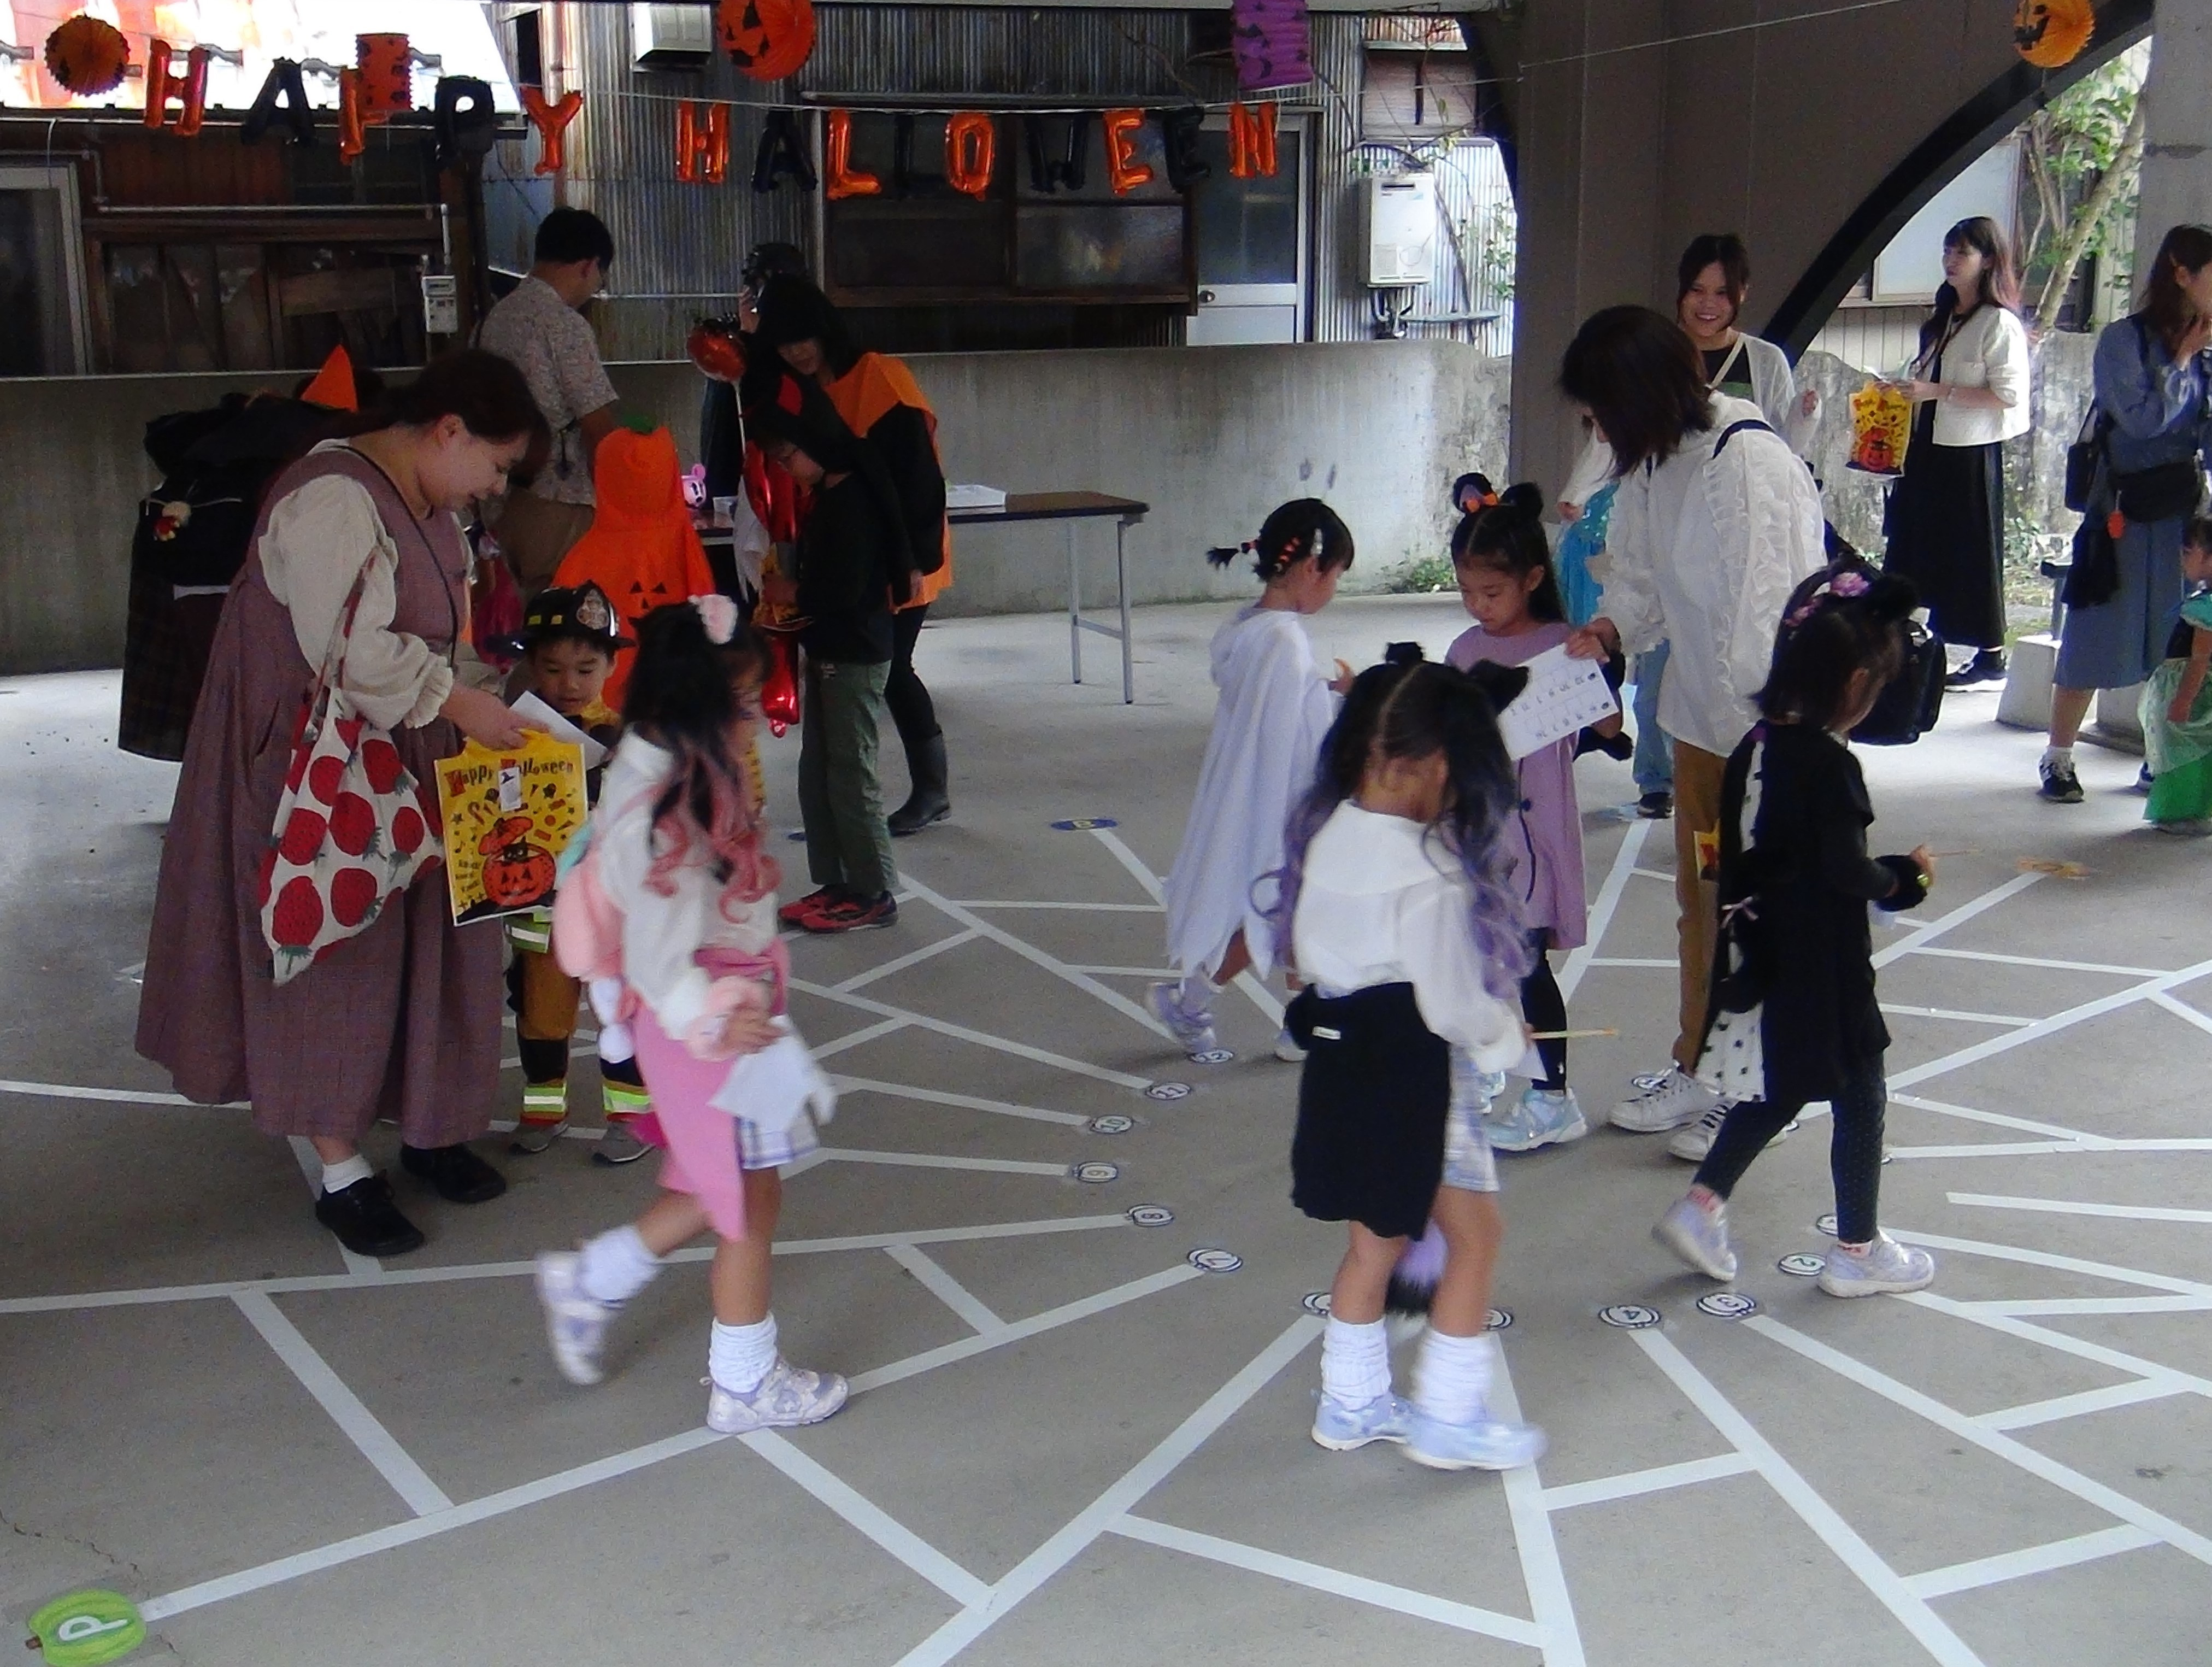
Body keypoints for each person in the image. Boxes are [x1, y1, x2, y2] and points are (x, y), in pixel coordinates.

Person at [136, 351, 546, 1258]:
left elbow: (446, 638)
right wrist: (461, 703)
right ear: (449, 430)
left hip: (417, 746)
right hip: (322, 767)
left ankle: (433, 1125)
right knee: (336, 949)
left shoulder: (430, 503)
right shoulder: (333, 496)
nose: (494, 486)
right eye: (496, 464)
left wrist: (480, 705)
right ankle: (342, 1169)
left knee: (441, 941)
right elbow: (354, 654)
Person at [533, 600, 848, 1433]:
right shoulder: (661, 815)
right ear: (695, 703)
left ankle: (595, 1280)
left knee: (741, 1185)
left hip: (726, 1007)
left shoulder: (674, 766)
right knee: (741, 1194)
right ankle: (744, 1380)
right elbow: (657, 957)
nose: (753, 719)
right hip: (709, 1023)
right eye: (740, 703)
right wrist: (711, 1018)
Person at [1559, 306, 1828, 1149]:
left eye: (1602, 411)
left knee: (1763, 912)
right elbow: (1640, 576)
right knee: (1704, 904)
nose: (1597, 430)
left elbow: (1772, 612)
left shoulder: (1745, 459)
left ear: (1641, 395)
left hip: (1769, 738)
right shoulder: (1654, 463)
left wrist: (1769, 749)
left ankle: (1758, 1088)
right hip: (1701, 730)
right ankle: (1702, 1064)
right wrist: (1609, 628)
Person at [1276, 655, 1545, 1471]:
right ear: (1432, 763)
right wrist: (1505, 1036)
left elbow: (1308, 956)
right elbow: (1451, 1005)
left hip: (1341, 1068)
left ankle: (1351, 1403)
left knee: (1375, 1242)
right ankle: (1448, 1417)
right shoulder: (1429, 869)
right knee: (1476, 1236)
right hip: (1415, 1080)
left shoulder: (1326, 833)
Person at [1653, 562, 1939, 1297]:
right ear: (1854, 684)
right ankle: (1857, 1250)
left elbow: (1745, 852)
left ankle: (1701, 1206)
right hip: (1826, 965)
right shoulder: (1828, 767)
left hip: (1763, 953)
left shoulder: (1754, 746)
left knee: (1776, 1086)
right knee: (1862, 1094)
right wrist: (1904, 879)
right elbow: (1846, 871)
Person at [1446, 484, 1622, 1151]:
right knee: (1479, 953)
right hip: (1477, 832)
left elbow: (1609, 726)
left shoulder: (1559, 645)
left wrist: (1596, 661)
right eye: (1467, 591)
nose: (1479, 605)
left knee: (1526, 958)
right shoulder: (1464, 650)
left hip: (1535, 833)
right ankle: (1493, 1062)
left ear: (1532, 579)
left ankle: (1552, 1096)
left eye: (1492, 592)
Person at [1150, 500, 1355, 1061]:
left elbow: (1282, 709)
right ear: (1311, 568)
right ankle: (1195, 1004)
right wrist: (1346, 708)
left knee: (1291, 911)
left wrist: (1326, 691)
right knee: (1276, 908)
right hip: (1279, 803)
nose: (1334, 589)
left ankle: (1297, 1022)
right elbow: (1298, 736)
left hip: (1250, 795)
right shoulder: (1285, 644)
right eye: (1336, 575)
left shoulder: (1248, 628)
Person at [754, 276, 954, 836]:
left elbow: (921, 482)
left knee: (892, 669)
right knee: (865, 671)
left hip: (901, 555)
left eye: (803, 337)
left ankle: (931, 790)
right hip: (853, 556)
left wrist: (909, 563)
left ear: (825, 328)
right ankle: (890, 793)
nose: (796, 350)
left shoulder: (881, 379)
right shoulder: (803, 391)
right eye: (783, 342)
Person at [119, 348, 381, 761]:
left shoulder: (248, 428)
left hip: (188, 585)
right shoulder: (325, 452)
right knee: (263, 730)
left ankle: (213, 791)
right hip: (246, 593)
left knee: (219, 719)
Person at [2044, 224, 2212, 804]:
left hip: (2180, 513)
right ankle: (2058, 756)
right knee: (2096, 632)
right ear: (2181, 274)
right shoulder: (2124, 340)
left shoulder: (2207, 350)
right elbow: (2140, 420)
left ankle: (2160, 757)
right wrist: (2180, 361)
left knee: (2176, 639)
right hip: (2120, 507)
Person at [495, 581, 657, 1162]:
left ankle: (632, 1115)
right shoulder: (510, 738)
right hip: (538, 907)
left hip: (612, 908)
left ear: (612, 665)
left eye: (586, 669)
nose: (569, 683)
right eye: (552, 668)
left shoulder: (634, 737)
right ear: (530, 666)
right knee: (540, 1014)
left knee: (619, 1012)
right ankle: (543, 1106)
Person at [752, 372, 913, 934]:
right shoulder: (829, 494)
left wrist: (791, 592)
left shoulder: (854, 500)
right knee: (819, 772)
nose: (785, 468)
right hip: (830, 651)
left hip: (855, 655)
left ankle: (872, 889)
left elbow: (844, 590)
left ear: (815, 441)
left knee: (850, 774)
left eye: (787, 456)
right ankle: (838, 880)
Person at [1878, 216, 2029, 691]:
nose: (1950, 260)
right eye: (1948, 250)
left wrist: (1938, 391)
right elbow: (1926, 378)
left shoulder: (1998, 322)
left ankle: (1990, 653)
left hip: (1968, 452)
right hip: (1925, 446)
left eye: (1962, 252)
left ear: (1988, 261)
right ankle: (1901, 638)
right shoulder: (1944, 316)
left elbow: (2009, 396)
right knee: (1912, 541)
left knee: (1971, 552)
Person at [480, 208, 622, 595]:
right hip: (558, 502)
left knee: (530, 620)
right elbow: (598, 427)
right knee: (572, 621)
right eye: (600, 278)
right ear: (589, 266)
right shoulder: (564, 324)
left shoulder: (495, 319)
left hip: (501, 503)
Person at [550, 424, 718, 711]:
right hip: (677, 697)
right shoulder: (682, 543)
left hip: (606, 703)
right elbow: (708, 611)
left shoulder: (586, 553)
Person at [1675, 234, 1822, 454]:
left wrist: (1804, 419)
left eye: (1723, 293)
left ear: (1742, 293)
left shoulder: (1766, 360)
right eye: (1697, 290)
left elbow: (1783, 449)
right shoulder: (1652, 352)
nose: (1708, 304)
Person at [2140, 517, 2212, 833]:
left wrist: (2183, 700)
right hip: (2189, 686)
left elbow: (2199, 659)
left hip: (2190, 689)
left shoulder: (2204, 609)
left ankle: (2184, 812)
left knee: (2182, 752)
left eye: (2188, 552)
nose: (2182, 560)